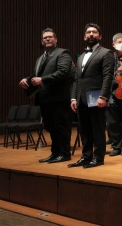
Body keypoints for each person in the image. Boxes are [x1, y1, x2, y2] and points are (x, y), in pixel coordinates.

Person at [21, 28, 74, 164]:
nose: (48, 39)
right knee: (51, 127)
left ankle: (64, 153)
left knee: (61, 127)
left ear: (55, 40)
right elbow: (37, 75)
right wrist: (27, 79)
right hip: (45, 99)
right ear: (42, 41)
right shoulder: (40, 58)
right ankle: (55, 153)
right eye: (45, 38)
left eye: (50, 37)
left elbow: (63, 72)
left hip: (59, 98)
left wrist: (42, 80)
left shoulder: (63, 53)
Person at [69, 23, 116, 169]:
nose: (91, 34)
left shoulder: (106, 53)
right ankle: (86, 156)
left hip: (96, 95)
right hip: (81, 97)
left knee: (97, 128)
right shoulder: (81, 56)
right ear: (84, 36)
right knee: (84, 129)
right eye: (88, 32)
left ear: (100, 36)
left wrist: (103, 96)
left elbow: (108, 76)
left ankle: (99, 157)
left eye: (94, 32)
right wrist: (73, 97)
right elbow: (77, 79)